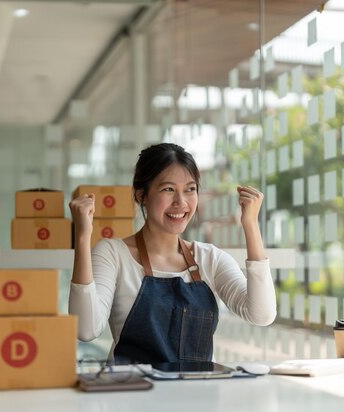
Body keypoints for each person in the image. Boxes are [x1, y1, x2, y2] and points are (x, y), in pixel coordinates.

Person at [68, 143, 276, 364]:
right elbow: (85, 329)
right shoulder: (113, 254)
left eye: (190, 189)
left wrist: (251, 225)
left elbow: (261, 315)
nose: (181, 202)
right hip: (132, 393)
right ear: (142, 195)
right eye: (168, 189)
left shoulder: (210, 259)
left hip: (197, 393)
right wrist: (82, 236)